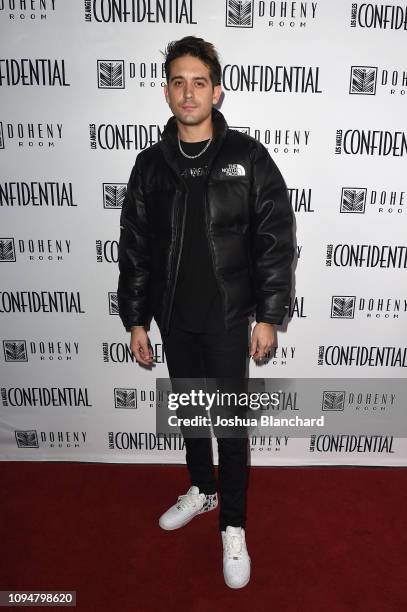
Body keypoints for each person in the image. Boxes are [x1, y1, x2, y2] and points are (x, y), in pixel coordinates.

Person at [117, 35, 295, 589]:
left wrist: (268, 315)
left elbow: (275, 238)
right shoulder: (150, 166)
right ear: (167, 92)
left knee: (231, 426)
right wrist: (136, 318)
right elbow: (135, 246)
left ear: (217, 91)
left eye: (199, 82)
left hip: (226, 318)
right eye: (177, 81)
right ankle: (202, 489)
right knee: (192, 414)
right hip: (174, 316)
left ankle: (233, 526)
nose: (188, 92)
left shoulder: (248, 157)